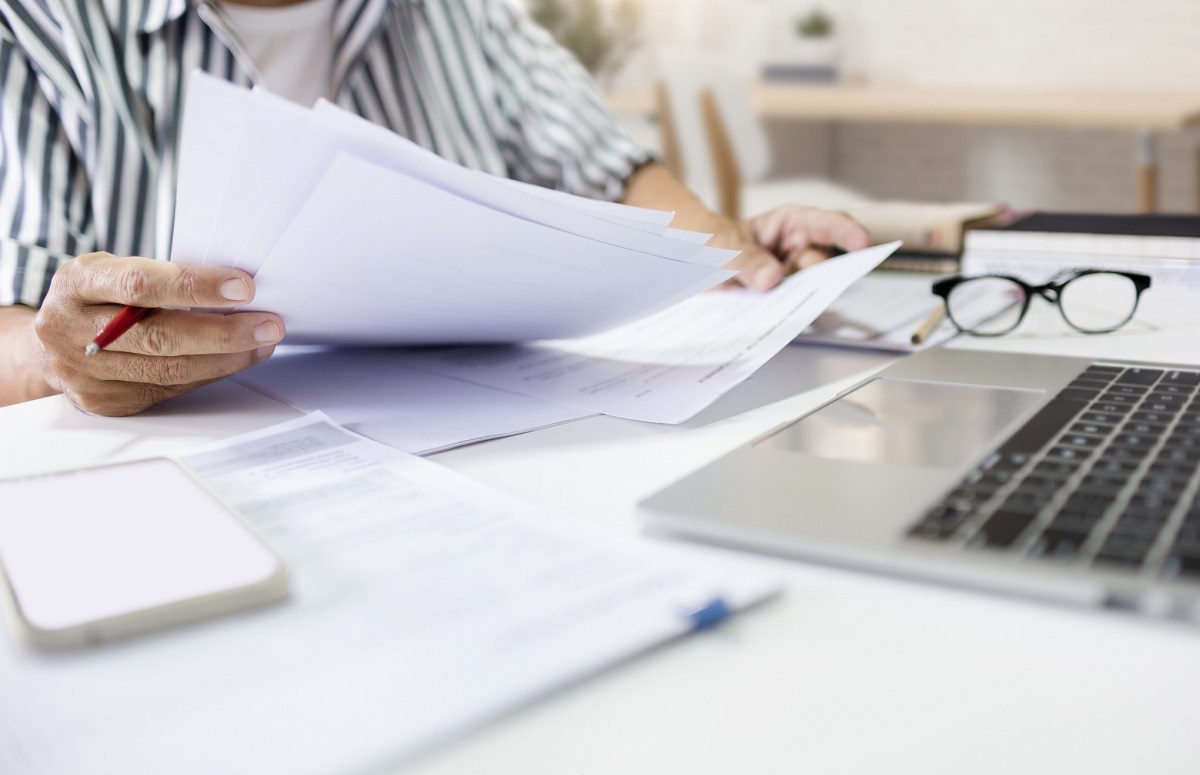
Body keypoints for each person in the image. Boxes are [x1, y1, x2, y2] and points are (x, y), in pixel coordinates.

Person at [0, 0, 868, 415]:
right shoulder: (41, 26)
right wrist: (61, 354)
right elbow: (16, 326)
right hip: (184, 481)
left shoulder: (462, 14)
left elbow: (620, 174)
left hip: (500, 448)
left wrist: (734, 255)